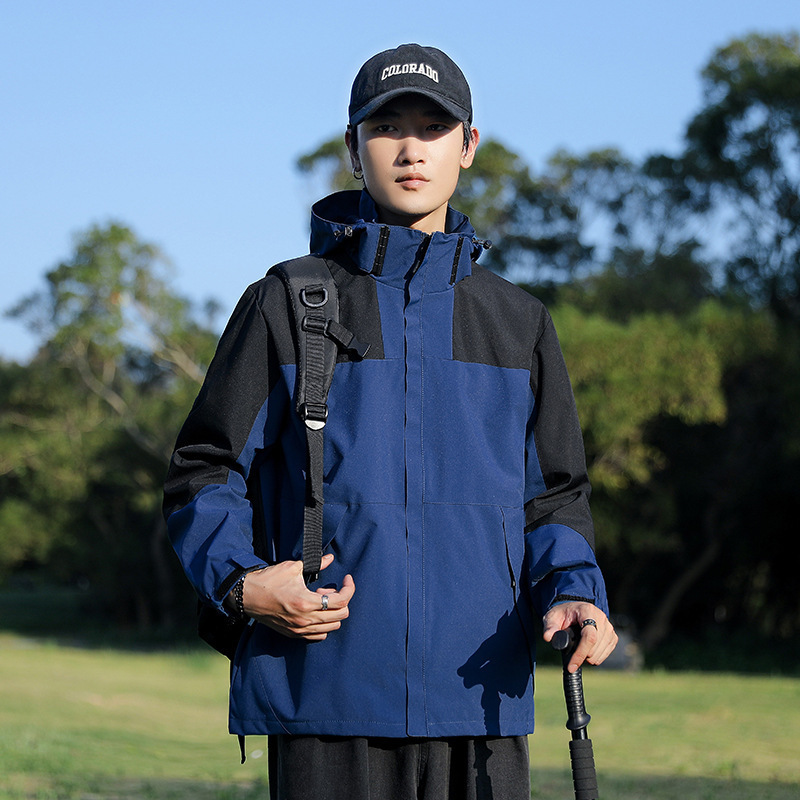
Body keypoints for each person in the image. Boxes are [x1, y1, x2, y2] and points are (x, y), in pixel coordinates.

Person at [164, 43, 617, 800]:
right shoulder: (284, 304)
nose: (411, 149)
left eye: (434, 128)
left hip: (482, 702)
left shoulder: (520, 324)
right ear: (353, 148)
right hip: (322, 696)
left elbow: (554, 499)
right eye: (386, 127)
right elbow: (204, 473)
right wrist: (243, 585)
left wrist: (574, 589)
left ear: (468, 146)